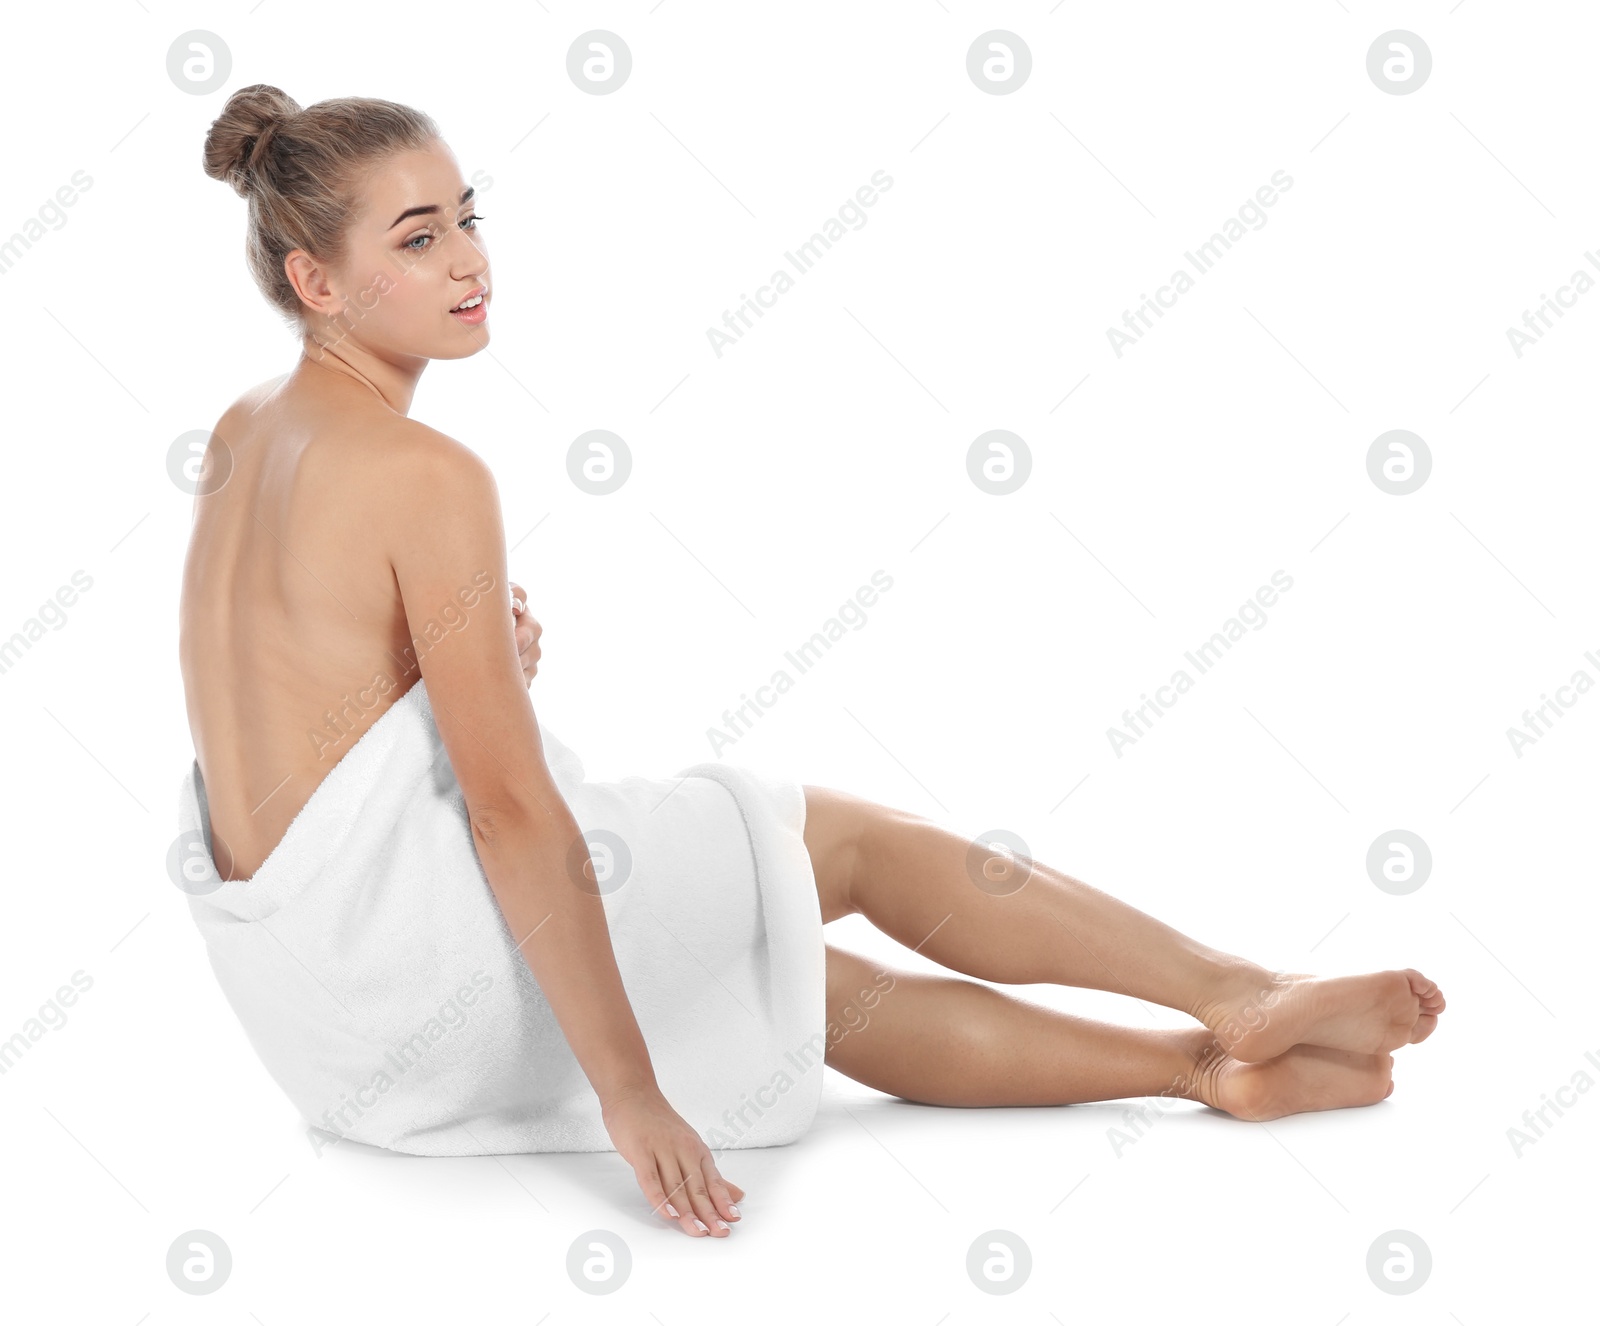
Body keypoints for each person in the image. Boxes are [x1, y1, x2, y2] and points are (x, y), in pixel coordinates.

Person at [183, 84, 1446, 1240]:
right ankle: (1237, 992)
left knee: (792, 977)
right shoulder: (428, 474)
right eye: (415, 240)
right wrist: (632, 1097)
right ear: (316, 279)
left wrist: (455, 671)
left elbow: (299, 727)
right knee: (827, 842)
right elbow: (511, 811)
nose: (467, 260)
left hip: (322, 1017)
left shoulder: (245, 433)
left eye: (465, 218)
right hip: (428, 965)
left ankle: (1199, 1072)